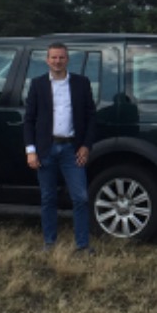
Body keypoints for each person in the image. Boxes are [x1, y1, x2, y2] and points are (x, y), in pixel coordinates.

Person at [23, 42, 97, 252]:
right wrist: (31, 151)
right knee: (48, 198)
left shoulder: (81, 83)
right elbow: (29, 120)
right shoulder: (38, 85)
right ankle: (49, 243)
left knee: (80, 197)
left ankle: (82, 246)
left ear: (67, 59)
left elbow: (91, 117)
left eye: (61, 57)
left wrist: (86, 146)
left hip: (72, 150)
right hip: (45, 149)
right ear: (47, 60)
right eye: (54, 57)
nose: (57, 61)